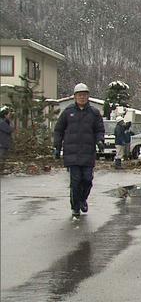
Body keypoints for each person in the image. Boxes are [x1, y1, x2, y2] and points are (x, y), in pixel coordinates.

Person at [53, 83, 105, 218]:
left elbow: (99, 130)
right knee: (75, 182)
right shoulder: (68, 112)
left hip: (88, 152)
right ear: (74, 97)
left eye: (84, 95)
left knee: (87, 180)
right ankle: (75, 206)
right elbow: (58, 130)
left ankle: (83, 199)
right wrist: (57, 147)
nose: (82, 97)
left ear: (88, 97)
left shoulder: (94, 113)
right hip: (72, 153)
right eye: (79, 95)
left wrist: (100, 141)